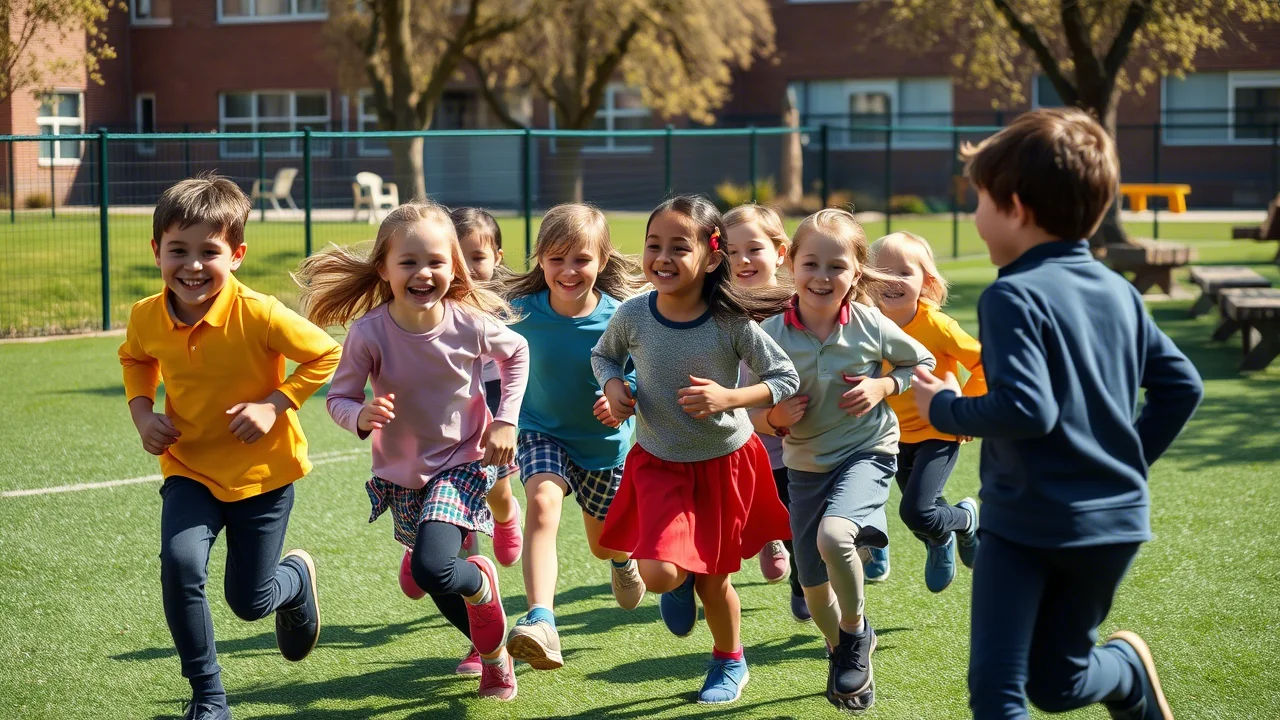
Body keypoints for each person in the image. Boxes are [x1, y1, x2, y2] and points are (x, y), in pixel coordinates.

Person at [912, 108, 1203, 720]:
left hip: (1023, 529)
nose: (974, 215)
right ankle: (1125, 675)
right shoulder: (1118, 288)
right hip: (1112, 523)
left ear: (1015, 208)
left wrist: (942, 404)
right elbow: (1182, 386)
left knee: (1000, 693)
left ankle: (1123, 670)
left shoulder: (1012, 294)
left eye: (979, 200)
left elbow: (1026, 407)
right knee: (1056, 685)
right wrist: (1123, 467)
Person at [119, 174, 341, 720]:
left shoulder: (260, 313)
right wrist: (143, 412)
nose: (192, 265)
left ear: (237, 254)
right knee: (180, 561)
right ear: (156, 252)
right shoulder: (147, 315)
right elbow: (135, 358)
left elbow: (325, 355)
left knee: (250, 602)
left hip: (263, 476)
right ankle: (209, 698)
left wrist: (275, 404)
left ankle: (294, 583)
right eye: (178, 250)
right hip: (189, 467)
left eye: (209, 252)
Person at [297, 201, 529, 701]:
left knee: (432, 567)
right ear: (384, 268)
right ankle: (493, 655)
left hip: (463, 461)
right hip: (402, 473)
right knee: (437, 574)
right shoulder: (369, 332)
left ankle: (478, 586)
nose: (424, 273)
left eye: (437, 262)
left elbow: (516, 353)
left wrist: (505, 419)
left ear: (454, 267)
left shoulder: (468, 323)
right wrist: (358, 415)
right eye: (409, 262)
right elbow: (338, 397)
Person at [591, 195, 799, 705]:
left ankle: (730, 661)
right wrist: (615, 388)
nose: (661, 257)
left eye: (677, 247)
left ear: (710, 256)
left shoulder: (731, 321)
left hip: (723, 466)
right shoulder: (634, 313)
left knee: (715, 582)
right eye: (653, 245)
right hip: (660, 464)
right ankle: (678, 575)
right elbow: (604, 355)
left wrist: (731, 398)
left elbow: (784, 378)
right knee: (661, 574)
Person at [759, 208, 935, 711]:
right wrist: (775, 417)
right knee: (812, 583)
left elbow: (917, 360)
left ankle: (855, 634)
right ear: (791, 264)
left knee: (836, 536)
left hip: (867, 451)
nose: (822, 276)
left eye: (837, 266)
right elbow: (750, 406)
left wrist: (884, 384)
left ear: (857, 272)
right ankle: (843, 651)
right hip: (805, 466)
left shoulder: (869, 323)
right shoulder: (769, 333)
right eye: (811, 263)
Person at [498, 203, 649, 671]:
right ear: (540, 259)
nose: (568, 270)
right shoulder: (516, 313)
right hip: (540, 433)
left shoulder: (624, 317)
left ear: (602, 261)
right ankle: (542, 619)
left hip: (605, 448)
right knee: (542, 504)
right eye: (556, 258)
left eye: (581, 259)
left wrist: (628, 395)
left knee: (604, 544)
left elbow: (652, 372)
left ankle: (623, 562)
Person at [868, 230, 985, 593]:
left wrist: (963, 410)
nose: (891, 281)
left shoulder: (937, 325)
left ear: (926, 281)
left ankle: (963, 521)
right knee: (922, 513)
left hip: (938, 430)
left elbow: (985, 363)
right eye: (881, 273)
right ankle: (948, 534)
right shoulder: (867, 323)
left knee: (916, 511)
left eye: (903, 272)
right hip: (891, 434)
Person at [723, 204, 806, 619]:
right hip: (738, 436)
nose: (742, 260)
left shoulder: (799, 304)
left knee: (796, 514)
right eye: (731, 252)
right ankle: (768, 537)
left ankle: (803, 578)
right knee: (749, 507)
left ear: (780, 252)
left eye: (753, 249)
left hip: (792, 436)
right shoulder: (719, 306)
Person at [450, 207, 521, 566]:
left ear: (497, 257)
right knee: (448, 477)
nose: (467, 266)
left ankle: (507, 516)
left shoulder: (505, 304)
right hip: (448, 400)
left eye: (477, 257)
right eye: (456, 256)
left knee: (495, 484)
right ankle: (456, 555)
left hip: (492, 398)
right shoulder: (430, 297)